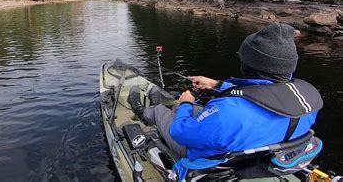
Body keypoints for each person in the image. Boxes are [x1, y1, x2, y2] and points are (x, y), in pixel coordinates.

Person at [127, 23, 323, 177]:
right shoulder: (307, 100)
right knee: (196, 110)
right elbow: (265, 95)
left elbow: (181, 133)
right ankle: (167, 107)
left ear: (250, 63)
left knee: (167, 112)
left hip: (213, 159)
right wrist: (217, 84)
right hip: (258, 152)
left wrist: (185, 103)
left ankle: (145, 110)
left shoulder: (229, 112)